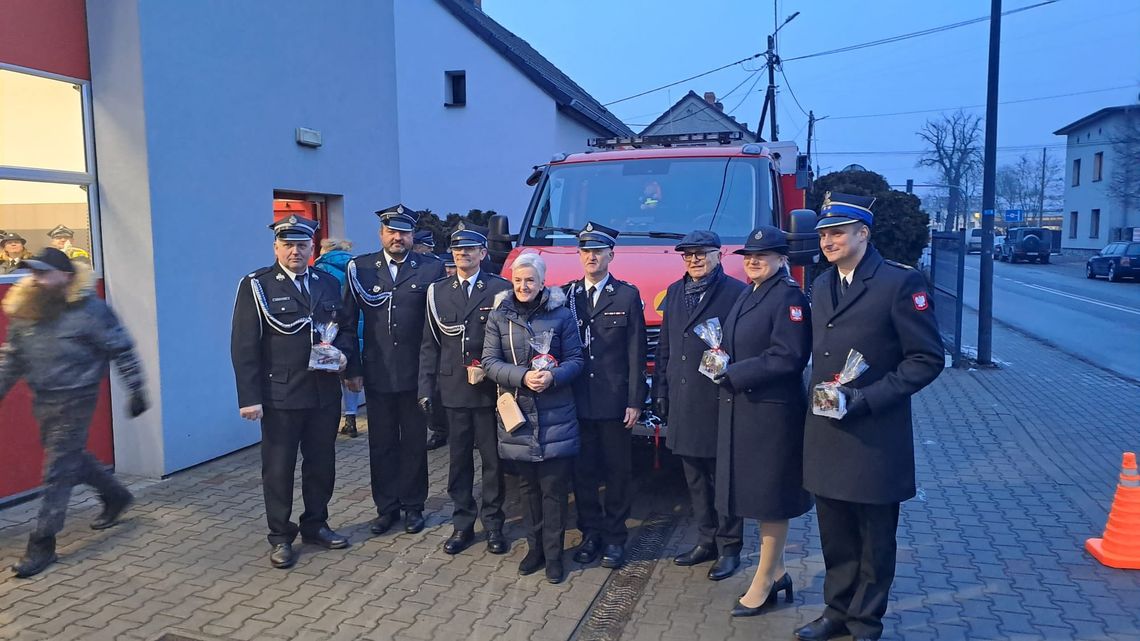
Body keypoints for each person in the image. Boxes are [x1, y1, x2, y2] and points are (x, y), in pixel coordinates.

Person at [795, 193, 943, 641]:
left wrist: (864, 399)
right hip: (826, 432)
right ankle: (836, 612)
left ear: (864, 233)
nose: (828, 241)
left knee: (875, 539)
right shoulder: (822, 285)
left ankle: (865, 621)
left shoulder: (899, 283)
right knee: (835, 535)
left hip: (875, 434)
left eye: (837, 232)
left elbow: (926, 359)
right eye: (823, 234)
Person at [0, 248, 149, 578]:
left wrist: (137, 388)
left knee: (57, 469)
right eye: (33, 273)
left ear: (66, 276)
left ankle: (42, 541)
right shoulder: (26, 309)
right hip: (43, 398)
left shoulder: (90, 311)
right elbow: (12, 358)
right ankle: (115, 495)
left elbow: (121, 349)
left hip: (77, 397)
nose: (35, 279)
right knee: (69, 458)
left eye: (43, 273)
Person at [230, 215, 356, 569]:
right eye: (288, 245)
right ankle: (281, 535)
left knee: (321, 465)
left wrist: (346, 358)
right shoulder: (257, 285)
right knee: (279, 469)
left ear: (312, 247)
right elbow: (244, 345)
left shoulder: (328, 283)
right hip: (280, 395)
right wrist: (249, 397)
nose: (295, 251)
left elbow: (345, 328)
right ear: (276, 248)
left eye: (302, 245)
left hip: (323, 393)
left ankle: (316, 524)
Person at [711, 226, 813, 617]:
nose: (753, 261)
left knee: (772, 498)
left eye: (763, 255)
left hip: (772, 412)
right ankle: (780, 570)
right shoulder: (750, 292)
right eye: (749, 256)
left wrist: (737, 372)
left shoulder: (789, 297)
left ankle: (766, 578)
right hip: (746, 409)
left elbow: (789, 357)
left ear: (781, 258)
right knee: (755, 494)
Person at [343, 205, 446, 536]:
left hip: (416, 374)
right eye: (392, 231)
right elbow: (346, 323)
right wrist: (352, 369)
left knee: (414, 442)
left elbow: (439, 325)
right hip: (377, 372)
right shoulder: (361, 269)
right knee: (382, 443)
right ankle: (386, 507)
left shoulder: (431, 268)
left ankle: (414, 506)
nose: (397, 237)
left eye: (403, 232)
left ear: (412, 235)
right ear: (381, 233)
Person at [482, 252, 583, 584]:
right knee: (527, 488)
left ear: (542, 283)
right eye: (518, 280)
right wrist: (523, 377)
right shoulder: (500, 315)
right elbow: (489, 362)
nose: (523, 286)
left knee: (553, 489)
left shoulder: (562, 315)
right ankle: (534, 548)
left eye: (530, 281)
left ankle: (554, 555)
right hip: (519, 415)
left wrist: (553, 377)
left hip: (556, 415)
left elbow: (576, 360)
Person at [652, 230, 747, 581]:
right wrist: (659, 392)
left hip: (718, 399)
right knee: (693, 476)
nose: (694, 260)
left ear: (718, 255)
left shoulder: (736, 293)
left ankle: (730, 546)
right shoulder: (675, 292)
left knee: (723, 478)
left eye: (701, 254)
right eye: (688, 255)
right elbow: (665, 345)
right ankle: (705, 539)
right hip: (682, 399)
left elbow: (744, 345)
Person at [419, 223, 511, 556]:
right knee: (458, 461)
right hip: (453, 387)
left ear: (483, 254)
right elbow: (429, 344)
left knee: (492, 460)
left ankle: (494, 524)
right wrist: (425, 387)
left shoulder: (500, 288)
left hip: (489, 389)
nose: (463, 255)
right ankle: (462, 524)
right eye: (458, 250)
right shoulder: (437, 291)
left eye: (470, 249)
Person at [564, 222, 647, 569]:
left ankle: (615, 538)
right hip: (578, 402)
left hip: (614, 403)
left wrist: (634, 401)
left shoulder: (626, 296)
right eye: (585, 251)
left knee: (617, 474)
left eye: (598, 251)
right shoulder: (567, 295)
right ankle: (590, 534)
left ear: (611, 255)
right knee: (583, 474)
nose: (591, 257)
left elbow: (636, 353)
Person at [314, 238, 365, 438]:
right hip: (355, 324)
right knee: (351, 370)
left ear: (324, 250)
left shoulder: (321, 269)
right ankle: (351, 416)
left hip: (330, 328)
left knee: (329, 370)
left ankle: (330, 416)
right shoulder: (356, 266)